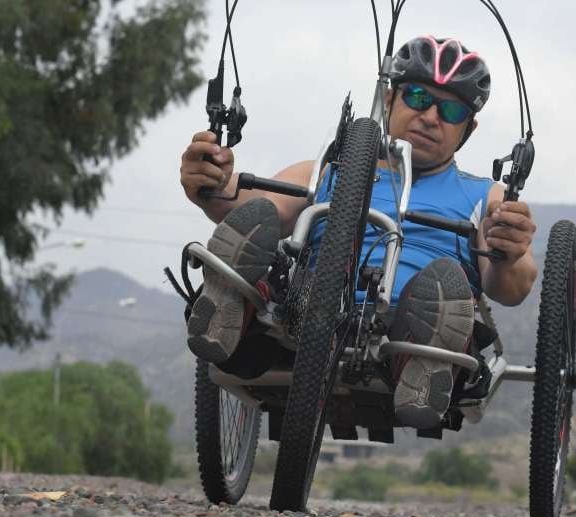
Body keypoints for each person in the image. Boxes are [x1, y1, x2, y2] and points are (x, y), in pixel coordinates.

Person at [178, 36, 537, 429]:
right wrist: (208, 185)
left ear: (468, 127)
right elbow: (249, 211)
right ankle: (233, 304)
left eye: (450, 109)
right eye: (417, 97)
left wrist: (511, 254)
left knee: (442, 290)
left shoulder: (488, 197)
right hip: (307, 310)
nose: (431, 116)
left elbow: (512, 287)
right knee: (258, 220)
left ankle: (425, 368)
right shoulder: (328, 170)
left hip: (413, 323)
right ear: (389, 100)